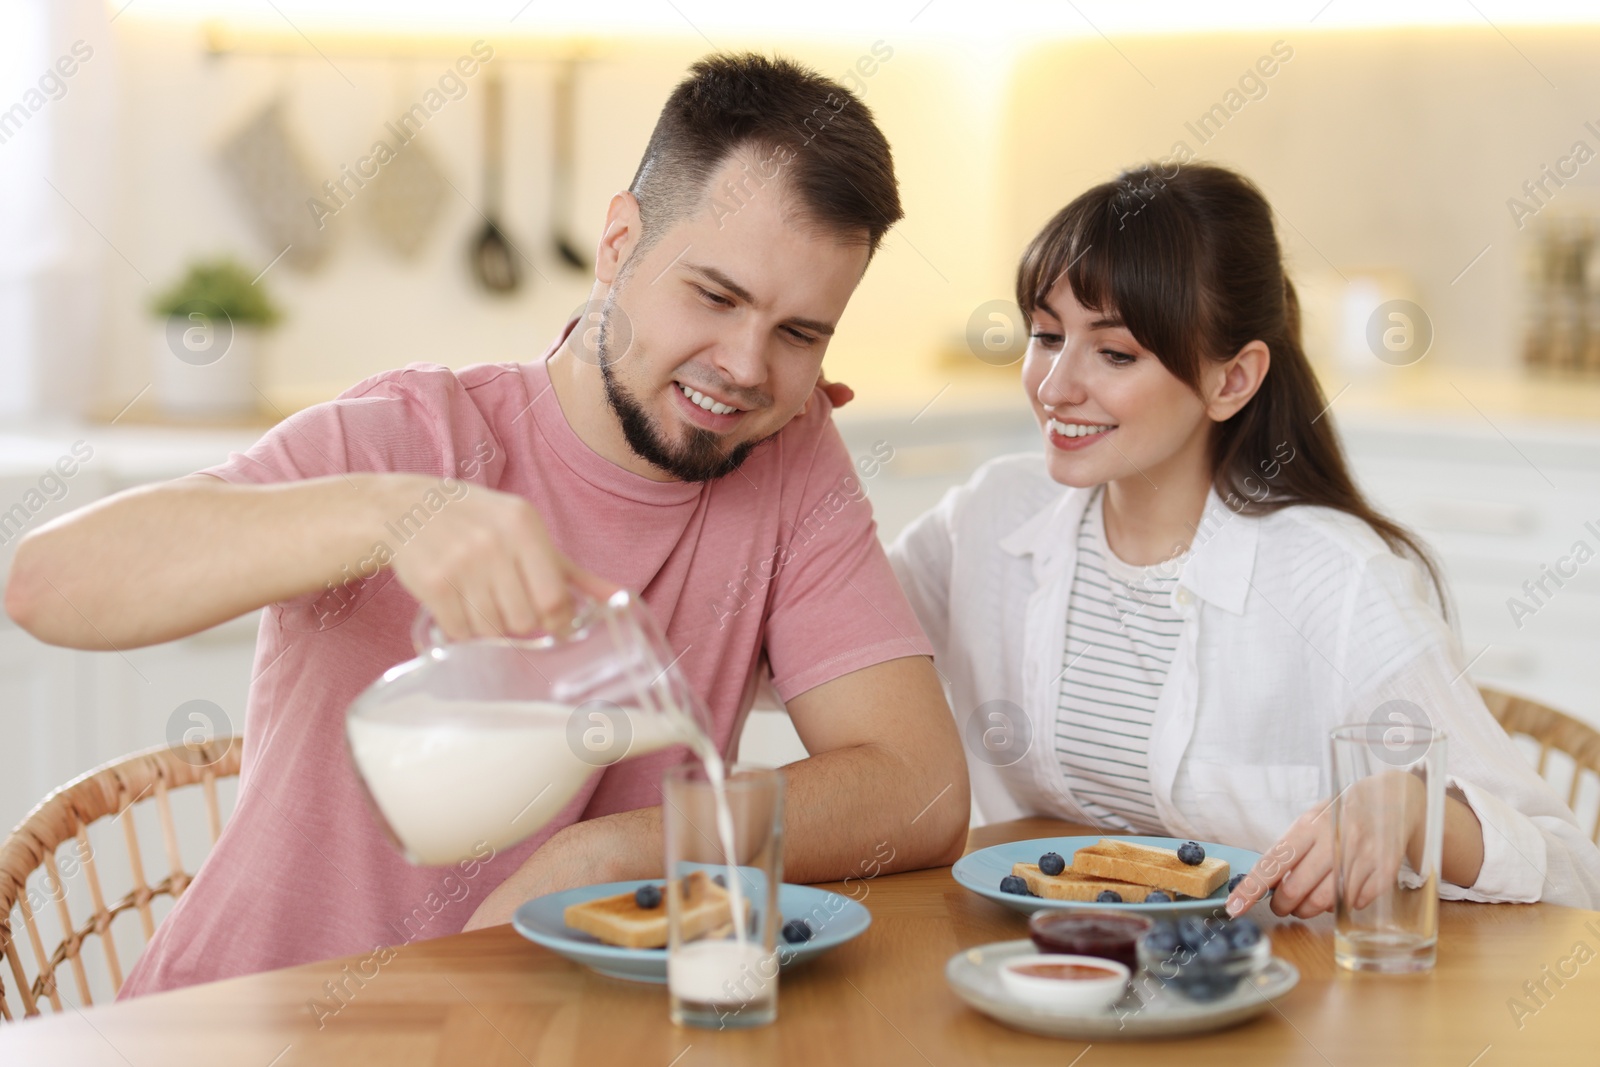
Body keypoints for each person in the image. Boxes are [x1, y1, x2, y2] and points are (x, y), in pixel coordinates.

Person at [4, 53, 969, 996]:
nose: (748, 367)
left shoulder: (786, 460)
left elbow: (918, 787)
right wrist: (386, 515)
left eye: (801, 332)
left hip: (536, 1034)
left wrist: (604, 852)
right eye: (716, 296)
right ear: (620, 242)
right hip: (252, 1023)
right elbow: (47, 585)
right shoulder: (415, 435)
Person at [886, 162, 1600, 916]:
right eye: (1046, 336)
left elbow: (1574, 874)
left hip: (1279, 1002)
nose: (1056, 386)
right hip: (1045, 973)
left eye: (1115, 352)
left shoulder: (1338, 580)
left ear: (1232, 379)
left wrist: (1417, 807)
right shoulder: (994, 514)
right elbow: (795, 659)